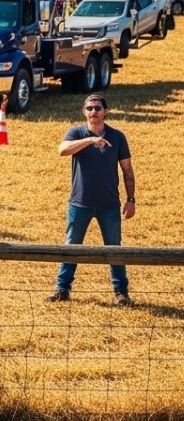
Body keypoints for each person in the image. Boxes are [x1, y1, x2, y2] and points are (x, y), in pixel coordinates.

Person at [48, 94, 136, 305]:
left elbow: (127, 170)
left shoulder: (117, 137)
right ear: (84, 112)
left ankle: (121, 293)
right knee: (72, 246)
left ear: (106, 112)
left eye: (97, 108)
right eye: (89, 108)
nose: (93, 112)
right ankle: (62, 289)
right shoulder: (76, 132)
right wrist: (89, 140)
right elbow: (62, 150)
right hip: (79, 203)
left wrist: (131, 199)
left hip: (109, 205)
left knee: (114, 248)